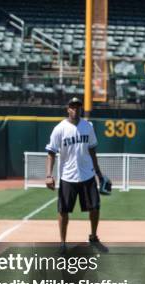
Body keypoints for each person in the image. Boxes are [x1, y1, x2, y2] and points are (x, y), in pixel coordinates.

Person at [45, 97, 108, 253]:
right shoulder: (59, 129)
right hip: (67, 177)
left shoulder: (88, 126)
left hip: (87, 175)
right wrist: (48, 174)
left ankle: (93, 235)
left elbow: (92, 150)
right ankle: (63, 243)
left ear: (80, 109)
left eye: (78, 107)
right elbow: (51, 153)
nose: (75, 109)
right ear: (68, 109)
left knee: (95, 208)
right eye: (72, 107)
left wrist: (99, 174)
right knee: (63, 211)